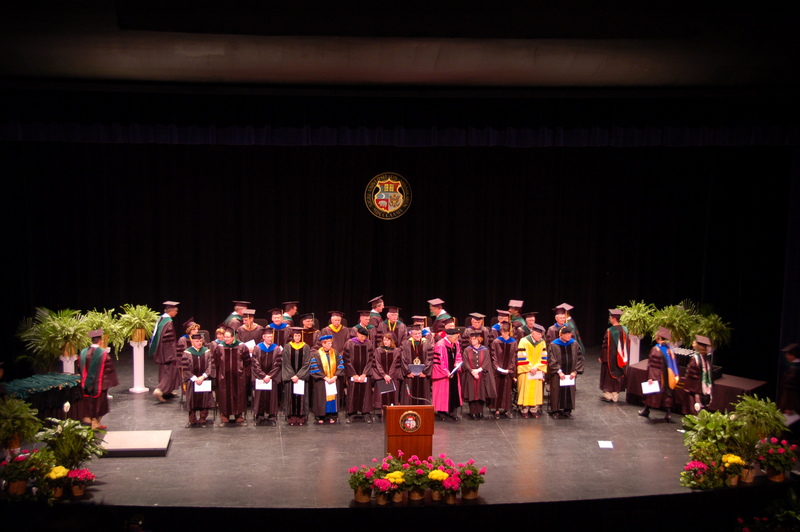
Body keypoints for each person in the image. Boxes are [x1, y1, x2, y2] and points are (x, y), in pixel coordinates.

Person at [77, 328, 119, 430]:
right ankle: (95, 422)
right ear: (100, 341)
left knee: (88, 402)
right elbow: (108, 370)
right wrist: (107, 383)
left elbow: (79, 367)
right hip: (99, 385)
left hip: (86, 384)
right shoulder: (103, 354)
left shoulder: (83, 353)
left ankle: (89, 419)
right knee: (99, 404)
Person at [638, 327, 679, 423]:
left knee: (650, 391)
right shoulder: (670, 349)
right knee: (668, 393)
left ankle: (646, 410)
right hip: (669, 376)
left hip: (659, 375)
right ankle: (668, 414)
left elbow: (654, 366)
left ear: (659, 337)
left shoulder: (656, 349)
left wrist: (651, 378)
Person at [213, 328, 251, 425]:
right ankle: (224, 415)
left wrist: (244, 374)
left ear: (233, 337)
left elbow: (247, 362)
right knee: (224, 395)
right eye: (225, 337)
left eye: (228, 337)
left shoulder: (242, 346)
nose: (225, 339)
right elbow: (216, 362)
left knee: (239, 395)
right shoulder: (220, 347)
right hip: (223, 377)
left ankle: (239, 415)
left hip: (238, 377)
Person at [546, 325, 585, 419]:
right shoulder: (553, 344)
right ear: (561, 334)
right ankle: (555, 411)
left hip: (570, 373)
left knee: (569, 391)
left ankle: (567, 411)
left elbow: (580, 358)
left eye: (570, 334)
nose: (568, 336)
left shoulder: (574, 344)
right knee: (556, 391)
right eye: (566, 334)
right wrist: (559, 371)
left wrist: (575, 371)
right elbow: (551, 359)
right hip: (557, 374)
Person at [148, 301, 181, 403]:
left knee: (165, 371)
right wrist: (173, 354)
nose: (176, 313)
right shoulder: (168, 323)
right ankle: (159, 390)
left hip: (161, 351)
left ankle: (167, 391)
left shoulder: (161, 319)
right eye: (176, 311)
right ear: (171, 311)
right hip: (167, 353)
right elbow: (169, 341)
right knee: (168, 371)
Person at [181, 333, 215, 428]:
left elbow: (210, 366)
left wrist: (203, 377)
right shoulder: (187, 353)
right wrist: (195, 378)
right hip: (192, 381)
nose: (199, 343)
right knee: (191, 400)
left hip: (204, 379)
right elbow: (185, 368)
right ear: (192, 342)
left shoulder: (207, 351)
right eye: (197, 341)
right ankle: (192, 420)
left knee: (205, 400)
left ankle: (202, 419)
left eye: (200, 341)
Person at [309, 335, 345, 424]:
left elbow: (340, 365)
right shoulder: (317, 354)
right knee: (321, 398)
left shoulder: (336, 353)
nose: (330, 345)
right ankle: (321, 416)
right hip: (322, 381)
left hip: (333, 380)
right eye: (328, 343)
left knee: (333, 398)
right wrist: (325, 377)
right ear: (323, 344)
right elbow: (314, 368)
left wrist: (335, 376)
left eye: (331, 343)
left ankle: (332, 416)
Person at [461, 331, 496, 419]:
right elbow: (465, 362)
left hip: (482, 375)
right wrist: (472, 371)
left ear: (479, 340)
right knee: (472, 394)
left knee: (481, 394)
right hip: (470, 375)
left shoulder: (485, 350)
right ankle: (473, 412)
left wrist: (479, 370)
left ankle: (480, 412)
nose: (472, 341)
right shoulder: (467, 350)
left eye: (474, 339)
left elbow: (487, 362)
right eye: (471, 339)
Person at [343, 325, 375, 422]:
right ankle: (351, 413)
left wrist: (365, 373)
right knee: (352, 393)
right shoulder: (349, 343)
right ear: (357, 334)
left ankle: (366, 413)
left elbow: (370, 360)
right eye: (362, 336)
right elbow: (346, 359)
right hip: (354, 374)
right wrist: (353, 374)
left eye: (365, 337)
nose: (363, 338)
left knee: (366, 394)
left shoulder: (369, 344)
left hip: (365, 374)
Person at [252, 328, 283, 426]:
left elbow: (278, 364)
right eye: (268, 337)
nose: (270, 339)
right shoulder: (257, 348)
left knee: (272, 395)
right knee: (260, 395)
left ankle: (271, 414)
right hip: (260, 377)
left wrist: (270, 376)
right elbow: (255, 363)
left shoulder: (276, 348)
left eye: (271, 337)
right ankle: (259, 414)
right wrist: (262, 375)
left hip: (271, 377)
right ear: (263, 337)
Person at [516, 323, 548, 418]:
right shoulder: (524, 341)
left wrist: (537, 367)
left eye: (541, 334)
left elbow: (544, 357)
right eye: (539, 334)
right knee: (525, 389)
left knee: (536, 390)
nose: (540, 336)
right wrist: (530, 367)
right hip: (526, 370)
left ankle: (534, 409)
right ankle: (524, 409)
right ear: (533, 333)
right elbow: (521, 356)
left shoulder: (542, 342)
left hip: (537, 370)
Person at [431, 326, 463, 421]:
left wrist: (457, 365)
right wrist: (446, 372)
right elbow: (439, 362)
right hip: (443, 375)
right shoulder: (440, 345)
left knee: (454, 392)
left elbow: (458, 356)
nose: (457, 339)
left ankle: (453, 412)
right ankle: (442, 412)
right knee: (443, 393)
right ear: (449, 337)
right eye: (455, 337)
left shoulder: (456, 343)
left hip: (453, 372)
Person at [282, 327, 312, 426]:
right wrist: (292, 375)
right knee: (290, 397)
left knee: (301, 396)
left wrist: (298, 375)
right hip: (291, 378)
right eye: (295, 335)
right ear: (292, 336)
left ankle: (301, 416)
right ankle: (291, 416)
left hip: (301, 378)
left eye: (299, 335)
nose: (297, 337)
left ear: (301, 336)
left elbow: (307, 363)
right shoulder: (287, 347)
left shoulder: (306, 347)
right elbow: (286, 362)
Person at [599, 309, 629, 403]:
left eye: (610, 317)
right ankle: (615, 394)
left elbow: (605, 346)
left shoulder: (610, 331)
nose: (609, 319)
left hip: (610, 358)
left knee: (609, 374)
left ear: (613, 318)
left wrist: (602, 357)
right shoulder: (625, 329)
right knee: (619, 373)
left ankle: (608, 395)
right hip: (622, 357)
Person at [399, 326, 432, 405]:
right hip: (410, 376)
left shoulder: (427, 343)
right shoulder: (406, 343)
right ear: (411, 334)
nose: (417, 335)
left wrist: (425, 372)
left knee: (423, 394)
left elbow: (430, 359)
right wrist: (407, 372)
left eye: (419, 333)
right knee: (409, 396)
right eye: (415, 334)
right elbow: (403, 359)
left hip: (423, 375)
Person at [489, 322, 517, 419]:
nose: (503, 334)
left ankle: (506, 410)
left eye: (505, 332)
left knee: (507, 390)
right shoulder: (496, 342)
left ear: (509, 332)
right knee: (498, 389)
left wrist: (510, 369)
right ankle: (497, 410)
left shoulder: (513, 342)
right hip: (498, 371)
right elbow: (493, 355)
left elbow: (514, 357)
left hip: (508, 371)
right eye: (502, 332)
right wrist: (497, 367)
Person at [372, 332, 402, 414]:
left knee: (392, 398)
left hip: (393, 377)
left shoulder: (396, 351)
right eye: (384, 340)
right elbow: (377, 364)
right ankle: (383, 414)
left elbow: (395, 364)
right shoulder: (378, 350)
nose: (385, 342)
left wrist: (389, 375)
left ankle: (392, 414)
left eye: (388, 340)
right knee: (382, 399)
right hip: (381, 377)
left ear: (392, 341)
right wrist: (384, 375)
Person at [684, 335, 714, 414]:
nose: (692, 344)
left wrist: (687, 386)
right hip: (704, 389)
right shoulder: (706, 358)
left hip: (695, 389)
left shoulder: (695, 358)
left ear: (698, 346)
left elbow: (691, 374)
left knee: (694, 409)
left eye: (694, 343)